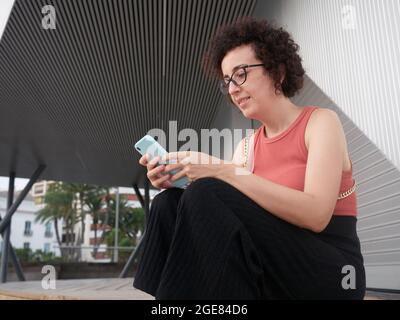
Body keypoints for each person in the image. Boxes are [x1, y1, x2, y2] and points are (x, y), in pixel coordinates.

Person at [133, 17, 366, 300]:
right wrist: (178, 179)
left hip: (333, 273)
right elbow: (222, 213)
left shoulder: (320, 123)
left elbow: (316, 215)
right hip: (274, 268)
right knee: (168, 203)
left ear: (277, 71)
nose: (232, 88)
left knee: (210, 190)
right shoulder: (246, 147)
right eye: (227, 81)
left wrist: (221, 171)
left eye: (240, 73)